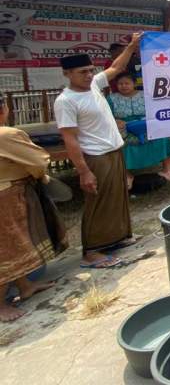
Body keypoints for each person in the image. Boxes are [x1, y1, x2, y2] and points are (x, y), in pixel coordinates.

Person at [54, 34, 141, 269]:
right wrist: (83, 171)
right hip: (95, 156)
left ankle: (118, 238)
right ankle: (91, 252)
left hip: (113, 150)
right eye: (83, 71)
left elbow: (116, 67)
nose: (89, 75)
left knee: (117, 197)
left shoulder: (93, 85)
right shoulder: (66, 101)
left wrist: (131, 47)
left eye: (91, 70)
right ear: (67, 74)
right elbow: (70, 139)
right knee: (98, 202)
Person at [0, 95, 68, 322]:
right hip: (6, 197)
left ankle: (25, 285)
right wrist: (40, 177)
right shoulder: (6, 135)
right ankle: (1, 305)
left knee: (18, 244)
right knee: (9, 248)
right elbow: (39, 161)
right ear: (5, 109)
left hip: (8, 193)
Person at [108, 72, 170, 189]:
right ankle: (127, 175)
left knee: (163, 137)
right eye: (120, 84)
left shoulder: (146, 95)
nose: (123, 86)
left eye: (127, 83)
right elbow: (106, 116)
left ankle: (167, 170)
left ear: (134, 83)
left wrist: (149, 120)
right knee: (119, 143)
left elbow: (155, 111)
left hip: (146, 125)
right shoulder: (111, 98)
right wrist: (116, 121)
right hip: (123, 127)